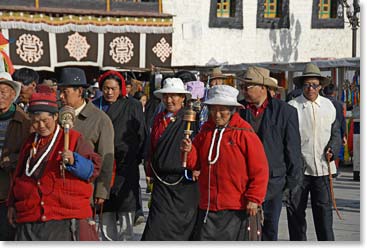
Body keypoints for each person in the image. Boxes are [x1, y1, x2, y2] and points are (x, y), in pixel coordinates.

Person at [7, 89, 102, 241]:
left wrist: (74, 160)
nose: (41, 125)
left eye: (46, 120)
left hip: (63, 218)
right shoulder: (30, 142)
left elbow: (92, 170)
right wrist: (12, 204)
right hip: (31, 218)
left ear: (56, 116)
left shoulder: (72, 139)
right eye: (36, 121)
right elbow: (19, 174)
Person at [181, 84, 269, 241]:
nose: (217, 114)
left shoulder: (244, 134)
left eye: (222, 109)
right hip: (208, 204)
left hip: (235, 206)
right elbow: (195, 164)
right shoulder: (205, 132)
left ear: (232, 110)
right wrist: (189, 151)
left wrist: (254, 198)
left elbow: (260, 170)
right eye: (213, 109)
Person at [238, 66, 303, 241]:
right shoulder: (238, 110)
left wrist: (291, 184)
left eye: (248, 87)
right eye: (242, 87)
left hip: (273, 183)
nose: (244, 90)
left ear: (263, 88)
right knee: (243, 231)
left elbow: (293, 150)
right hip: (242, 182)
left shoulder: (286, 112)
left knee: (269, 231)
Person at [287, 63, 341, 241]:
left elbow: (336, 132)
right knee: (296, 214)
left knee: (324, 214)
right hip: (299, 170)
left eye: (314, 85)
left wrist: (333, 148)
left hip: (323, 169)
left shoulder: (329, 106)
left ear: (321, 86)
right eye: (307, 85)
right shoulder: (292, 107)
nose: (311, 88)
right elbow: (286, 138)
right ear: (301, 86)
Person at [141, 78, 199, 241]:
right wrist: (149, 169)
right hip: (162, 183)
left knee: (182, 229)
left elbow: (200, 147)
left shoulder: (191, 118)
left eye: (174, 96)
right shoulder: (159, 118)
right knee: (155, 228)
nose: (169, 100)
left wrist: (196, 163)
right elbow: (152, 146)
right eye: (166, 96)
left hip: (184, 184)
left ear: (182, 98)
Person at [93, 70, 147, 241]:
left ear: (121, 89)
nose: (109, 92)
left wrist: (136, 157)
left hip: (126, 165)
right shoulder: (95, 106)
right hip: (103, 165)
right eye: (106, 88)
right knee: (105, 210)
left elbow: (142, 134)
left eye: (114, 88)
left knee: (126, 209)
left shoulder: (132, 105)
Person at [58, 67, 115, 208]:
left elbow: (106, 158)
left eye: (66, 92)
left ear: (79, 92)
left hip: (84, 187)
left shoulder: (100, 119)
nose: (61, 96)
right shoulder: (56, 116)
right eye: (60, 91)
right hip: (57, 187)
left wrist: (101, 192)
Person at [0, 72, 31, 240]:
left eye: (3, 92)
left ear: (13, 95)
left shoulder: (25, 122)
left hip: (10, 193)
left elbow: (30, 154)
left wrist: (11, 159)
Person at [322, 83, 347, 171]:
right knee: (335, 150)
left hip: (322, 131)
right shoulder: (340, 104)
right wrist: (344, 135)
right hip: (336, 131)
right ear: (335, 92)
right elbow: (342, 121)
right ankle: (333, 169)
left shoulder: (319, 102)